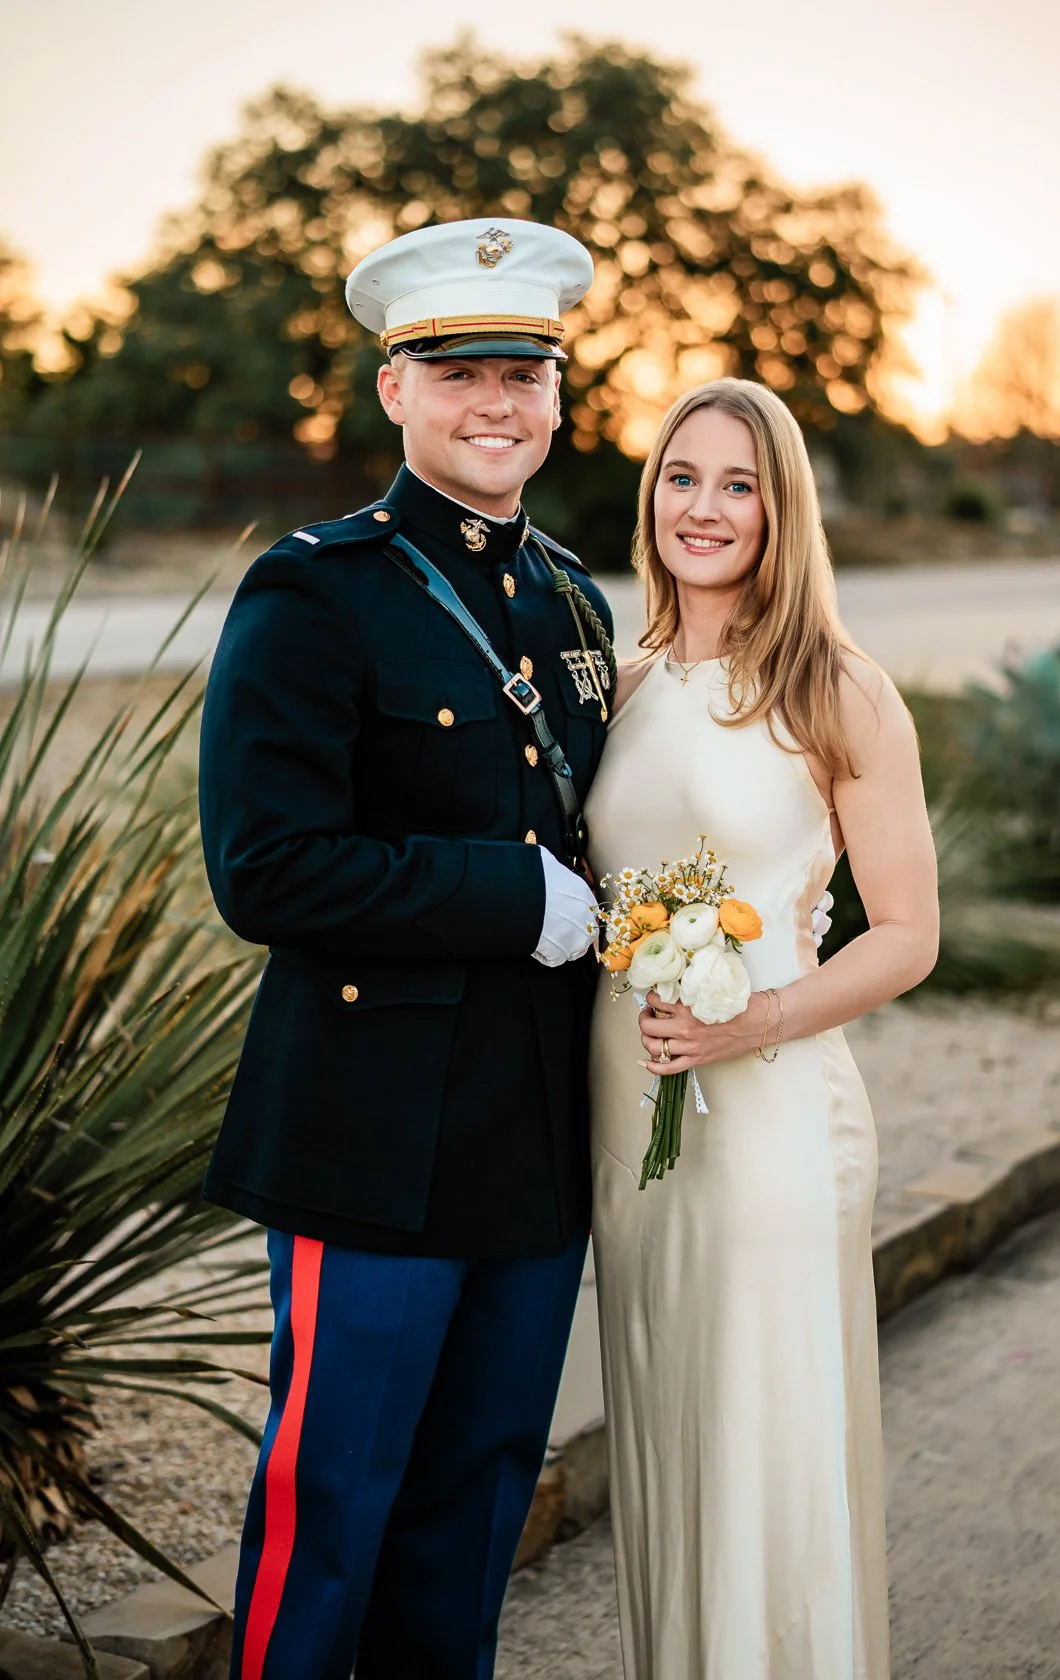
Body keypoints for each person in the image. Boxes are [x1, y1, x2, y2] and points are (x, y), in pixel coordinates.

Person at [197, 217, 612, 1680]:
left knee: (478, 1500)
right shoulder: (317, 590)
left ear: (560, 393)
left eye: (527, 372)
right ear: (394, 390)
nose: (499, 404)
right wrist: (513, 898)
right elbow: (266, 868)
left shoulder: (571, 595)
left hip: (532, 1134)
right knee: (335, 1506)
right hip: (368, 1138)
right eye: (461, 374)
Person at [587, 378, 939, 1679]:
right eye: (684, 476)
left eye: (740, 483)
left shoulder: (834, 689)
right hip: (631, 1129)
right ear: (650, 496)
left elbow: (909, 932)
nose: (706, 507)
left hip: (775, 1127)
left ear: (781, 509)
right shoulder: (616, 685)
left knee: (764, 1453)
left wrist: (759, 1021)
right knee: (672, 1439)